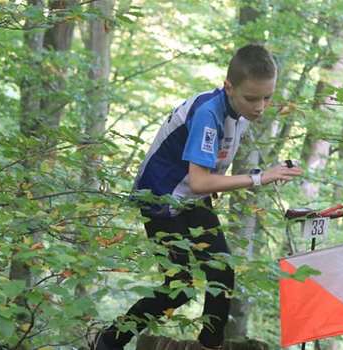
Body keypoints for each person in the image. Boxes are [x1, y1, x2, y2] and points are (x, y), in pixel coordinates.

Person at [94, 44, 303, 350]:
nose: (260, 106)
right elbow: (200, 180)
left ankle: (210, 345)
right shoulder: (209, 114)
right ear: (228, 87)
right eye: (252, 98)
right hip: (160, 200)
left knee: (221, 272)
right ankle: (110, 340)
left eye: (267, 97)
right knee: (179, 288)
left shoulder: (238, 111)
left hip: (189, 197)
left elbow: (208, 169)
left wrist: (263, 171)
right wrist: (259, 177)